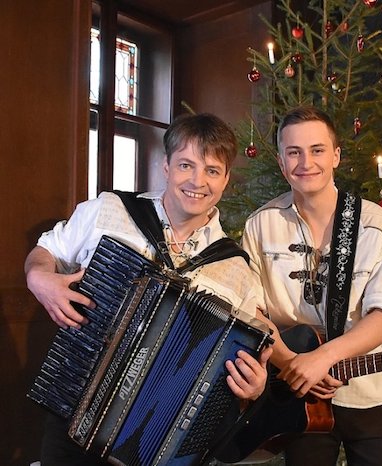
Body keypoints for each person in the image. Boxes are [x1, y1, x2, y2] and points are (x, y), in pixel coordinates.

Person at [24, 113, 272, 466]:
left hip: (157, 441)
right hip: (75, 407)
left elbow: (243, 359)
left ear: (226, 179)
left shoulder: (235, 268)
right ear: (166, 166)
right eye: (186, 165)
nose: (197, 181)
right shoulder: (109, 210)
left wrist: (254, 388)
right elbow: (47, 252)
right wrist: (39, 279)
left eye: (212, 171)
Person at [240, 106, 382, 466]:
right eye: (294, 152)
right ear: (281, 162)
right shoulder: (259, 226)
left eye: (317, 150)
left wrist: (323, 357)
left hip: (369, 391)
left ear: (336, 156)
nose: (305, 162)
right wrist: (296, 365)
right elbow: (252, 310)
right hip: (299, 395)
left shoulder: (375, 223)